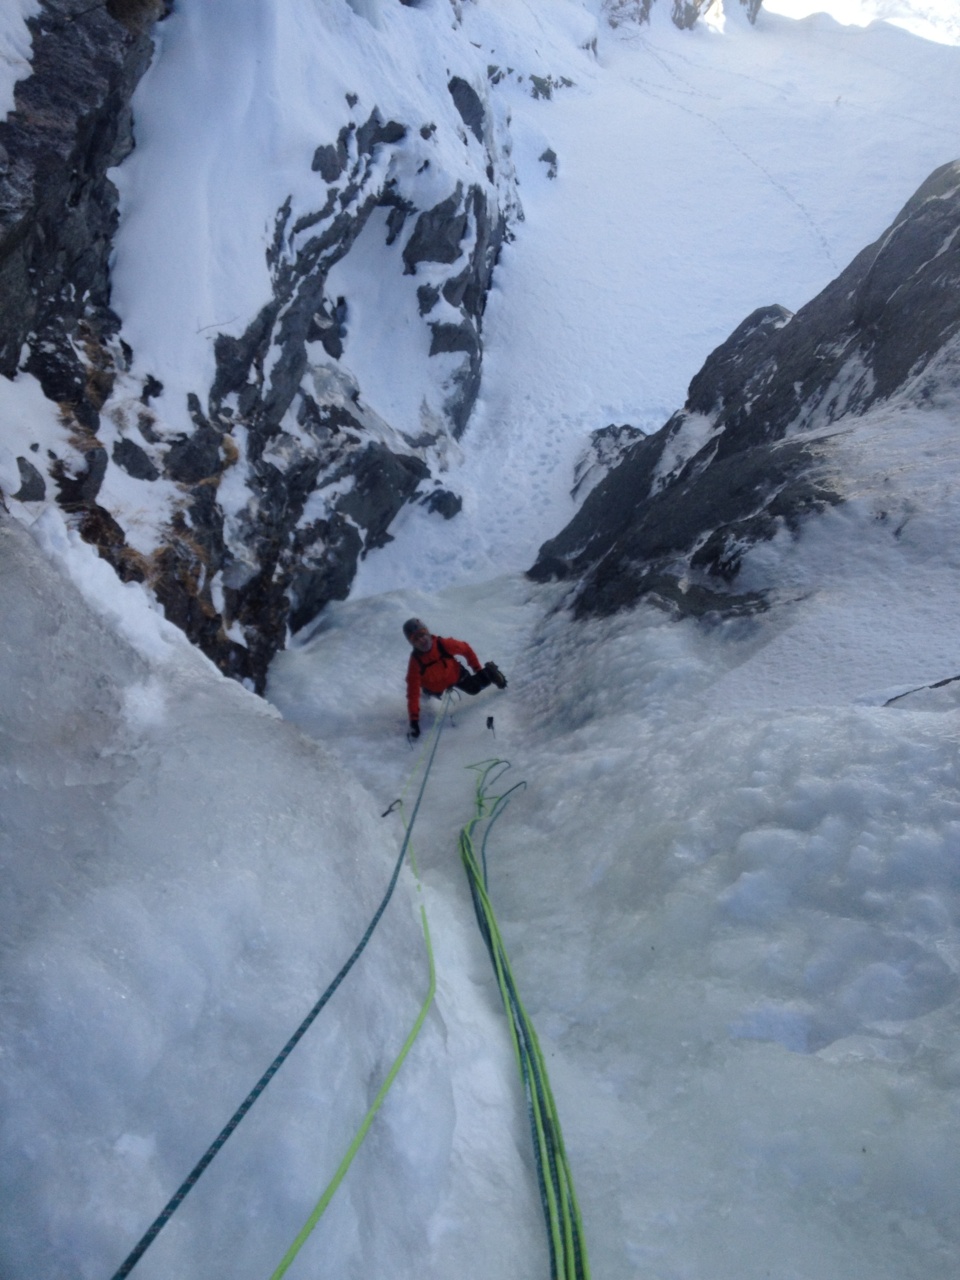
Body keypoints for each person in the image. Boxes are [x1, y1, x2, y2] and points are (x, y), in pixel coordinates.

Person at [403, 617, 506, 738]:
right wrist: (414, 722)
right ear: (412, 643)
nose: (422, 640)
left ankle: (490, 672)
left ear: (427, 632)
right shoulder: (415, 663)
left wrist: (478, 669)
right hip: (433, 687)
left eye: (422, 634)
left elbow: (466, 648)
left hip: (455, 675)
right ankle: (425, 705)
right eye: (416, 639)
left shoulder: (443, 644)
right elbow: (413, 692)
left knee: (475, 689)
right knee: (426, 699)